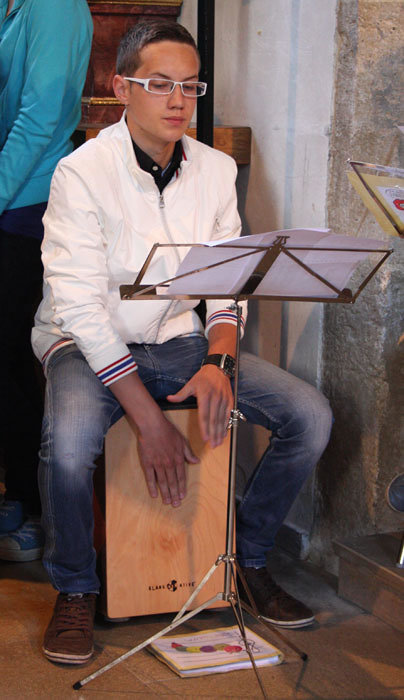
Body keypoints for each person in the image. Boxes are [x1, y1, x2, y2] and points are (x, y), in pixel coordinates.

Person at [32, 19, 332, 665]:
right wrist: (148, 421)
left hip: (177, 340)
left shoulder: (215, 170)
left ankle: (247, 562)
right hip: (84, 342)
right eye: (160, 84)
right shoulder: (80, 173)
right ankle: (76, 588)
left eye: (191, 86)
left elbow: (228, 283)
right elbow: (80, 308)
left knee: (309, 415)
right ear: (122, 88)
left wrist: (219, 361)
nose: (178, 101)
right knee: (69, 448)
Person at [0, 0, 92, 561]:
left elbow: (38, 121)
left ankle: (33, 507)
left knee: (10, 356)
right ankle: (18, 493)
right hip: (9, 190)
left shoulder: (55, 5)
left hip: (28, 197)